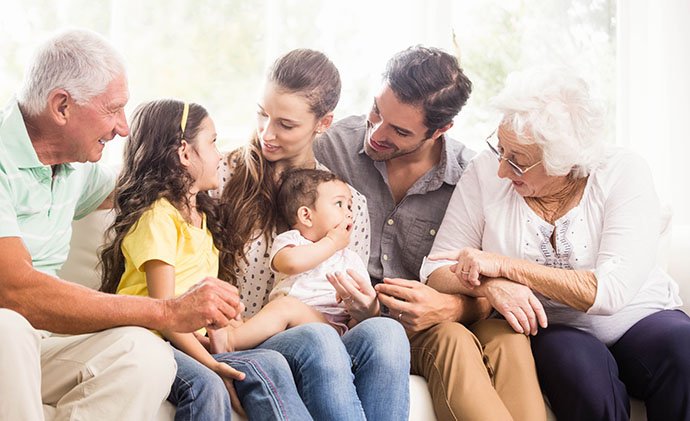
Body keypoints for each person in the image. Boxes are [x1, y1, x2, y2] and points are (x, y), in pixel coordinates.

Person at [421, 66, 690, 421]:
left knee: (683, 351)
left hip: (639, 317)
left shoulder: (623, 172)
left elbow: (608, 292)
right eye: (499, 148)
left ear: (564, 163)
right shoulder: (486, 172)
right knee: (582, 374)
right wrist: (491, 284)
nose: (502, 169)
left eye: (517, 162)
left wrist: (504, 266)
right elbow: (435, 268)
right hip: (551, 327)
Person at [0, 29, 242, 420]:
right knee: (7, 328)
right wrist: (164, 311)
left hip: (38, 343)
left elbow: (140, 182)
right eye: (113, 109)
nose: (123, 127)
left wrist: (203, 164)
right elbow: (14, 290)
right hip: (6, 332)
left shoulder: (71, 169)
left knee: (147, 355)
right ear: (61, 106)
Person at [313, 45, 546, 420]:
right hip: (361, 327)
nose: (376, 133)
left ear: (441, 130)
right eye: (376, 110)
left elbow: (487, 283)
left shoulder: (470, 178)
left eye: (400, 131)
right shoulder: (331, 148)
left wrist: (453, 306)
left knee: (508, 339)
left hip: (428, 323)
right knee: (450, 338)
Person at [215, 48, 410, 420]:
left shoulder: (347, 202)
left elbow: (354, 315)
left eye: (285, 125)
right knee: (317, 339)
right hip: (255, 336)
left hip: (324, 331)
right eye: (261, 113)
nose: (266, 133)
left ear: (323, 123)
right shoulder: (220, 176)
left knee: (386, 333)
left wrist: (365, 308)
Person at [99, 99, 313, 420]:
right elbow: (165, 313)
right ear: (185, 154)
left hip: (184, 338)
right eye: (212, 143)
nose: (219, 154)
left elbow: (202, 306)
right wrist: (211, 363)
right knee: (207, 385)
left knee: (270, 361)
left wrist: (222, 339)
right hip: (151, 337)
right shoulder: (158, 217)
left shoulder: (202, 219)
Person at [211, 169, 369, 353]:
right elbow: (290, 263)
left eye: (350, 206)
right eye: (339, 204)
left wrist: (358, 310)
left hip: (330, 327)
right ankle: (232, 337)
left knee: (286, 307)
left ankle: (231, 342)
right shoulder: (291, 241)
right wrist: (332, 243)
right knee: (249, 317)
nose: (349, 213)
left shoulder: (349, 258)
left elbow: (363, 302)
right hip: (288, 326)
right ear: (306, 216)